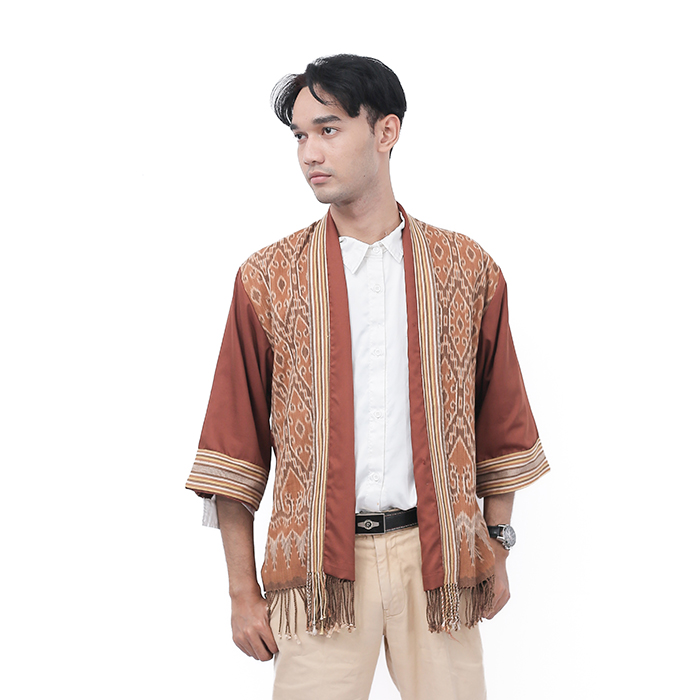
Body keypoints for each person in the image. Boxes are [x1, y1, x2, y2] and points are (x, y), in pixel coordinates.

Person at [185, 54, 549, 700]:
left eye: (328, 130)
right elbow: (232, 445)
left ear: (386, 131)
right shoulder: (268, 279)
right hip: (318, 573)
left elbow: (502, 421)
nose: (309, 154)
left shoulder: (466, 270)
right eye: (300, 136)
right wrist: (242, 592)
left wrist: (497, 542)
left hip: (438, 566)